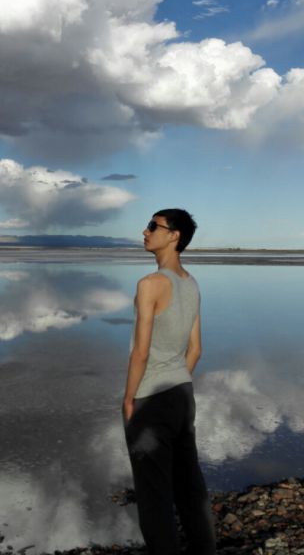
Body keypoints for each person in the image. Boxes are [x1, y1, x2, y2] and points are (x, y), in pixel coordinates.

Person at [122, 208, 216, 555]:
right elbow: (196, 350)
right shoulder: (191, 284)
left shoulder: (150, 285)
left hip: (150, 399)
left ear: (174, 236)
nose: (145, 231)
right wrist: (176, 381)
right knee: (190, 486)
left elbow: (141, 352)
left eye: (153, 226)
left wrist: (130, 399)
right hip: (181, 394)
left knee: (153, 495)